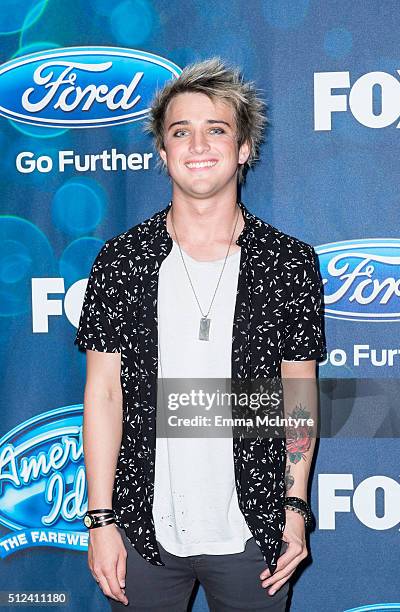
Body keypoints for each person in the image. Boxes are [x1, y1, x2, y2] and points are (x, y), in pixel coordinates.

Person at [74, 57, 327, 611]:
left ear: (243, 150)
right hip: (142, 532)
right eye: (180, 131)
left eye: (217, 129)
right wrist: (99, 520)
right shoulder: (121, 261)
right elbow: (103, 393)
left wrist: (294, 507)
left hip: (254, 533)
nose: (198, 144)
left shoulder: (287, 262)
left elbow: (298, 391)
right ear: (163, 153)